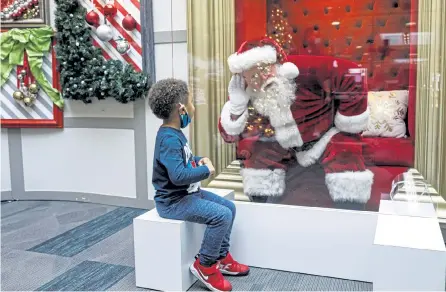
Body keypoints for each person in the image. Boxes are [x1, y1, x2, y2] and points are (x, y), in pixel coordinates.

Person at [218, 38, 373, 210]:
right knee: (260, 151)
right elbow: (228, 136)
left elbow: (352, 73)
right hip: (285, 145)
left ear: (275, 63)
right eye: (253, 76)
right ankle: (262, 206)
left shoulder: (301, 69)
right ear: (244, 79)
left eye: (264, 69)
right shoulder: (248, 93)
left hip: (325, 136)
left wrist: (348, 121)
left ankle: (350, 208)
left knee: (345, 149)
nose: (262, 78)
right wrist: (236, 105)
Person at [149, 78, 249, 292]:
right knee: (221, 216)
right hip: (173, 202)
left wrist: (198, 159)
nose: (194, 108)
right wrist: (206, 170)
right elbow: (177, 176)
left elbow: (182, 162)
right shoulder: (168, 139)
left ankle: (221, 257)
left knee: (229, 208)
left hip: (189, 194)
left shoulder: (174, 134)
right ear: (181, 108)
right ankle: (205, 265)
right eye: (192, 102)